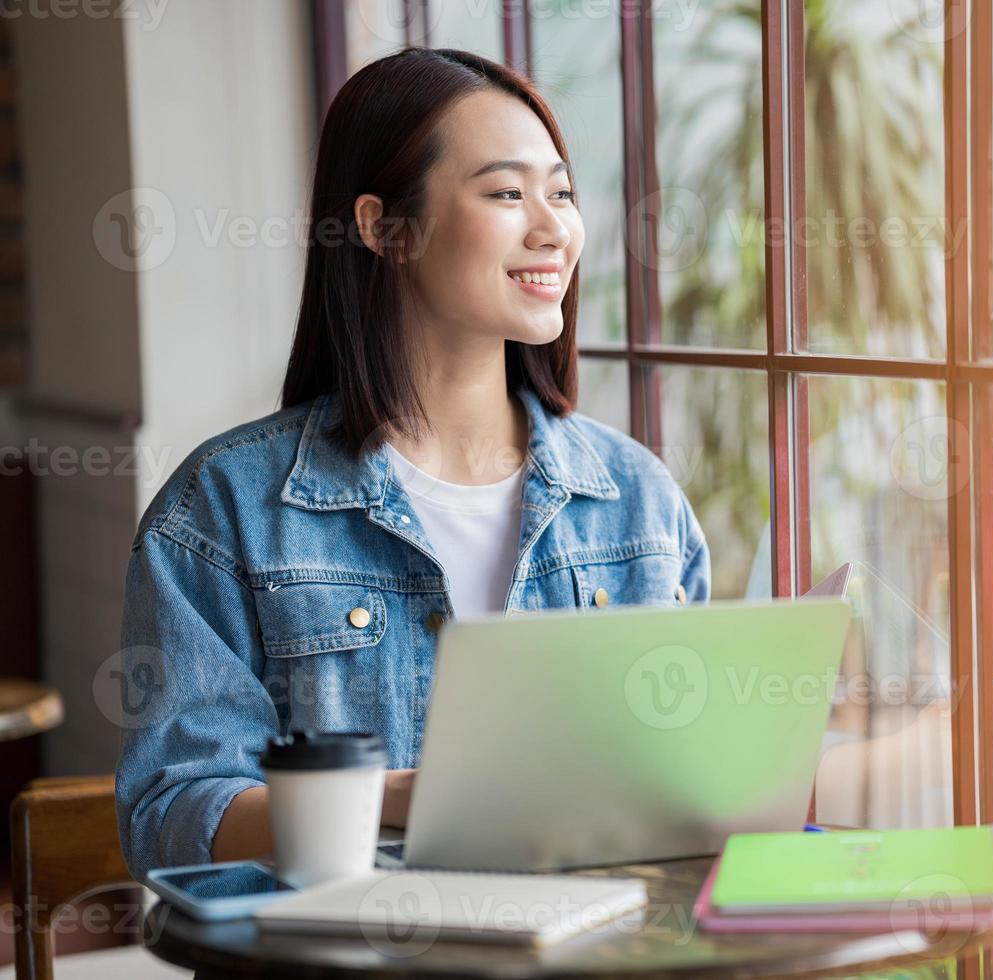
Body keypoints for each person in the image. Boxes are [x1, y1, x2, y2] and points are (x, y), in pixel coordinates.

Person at [114, 48, 710, 879]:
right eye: (507, 193)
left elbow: (693, 783)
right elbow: (175, 818)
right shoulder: (225, 509)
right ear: (382, 225)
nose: (553, 228)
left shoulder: (638, 501)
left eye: (562, 193)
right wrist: (402, 796)